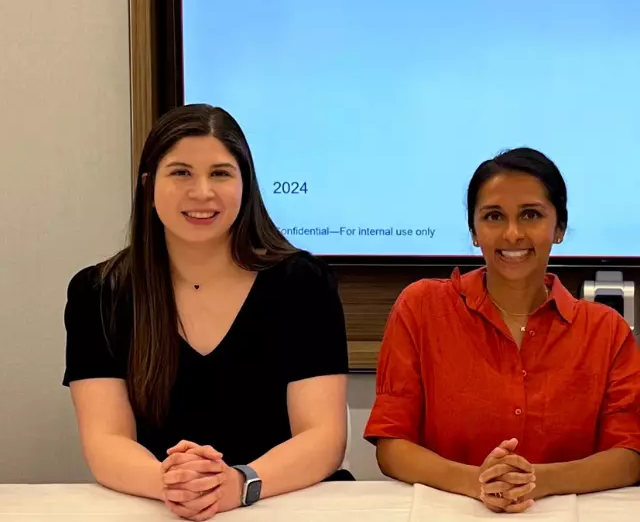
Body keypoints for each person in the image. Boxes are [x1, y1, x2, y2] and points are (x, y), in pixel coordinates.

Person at [63, 104, 349, 521]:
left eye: (220, 173)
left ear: (245, 185)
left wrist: (238, 483)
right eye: (181, 172)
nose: (202, 192)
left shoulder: (303, 283)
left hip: (281, 502)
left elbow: (323, 437)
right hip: (158, 507)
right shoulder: (98, 292)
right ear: (148, 185)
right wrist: (171, 483)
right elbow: (105, 439)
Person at [365, 147, 640, 513]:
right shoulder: (420, 308)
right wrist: (477, 482)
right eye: (494, 216)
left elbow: (629, 457)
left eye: (531, 215)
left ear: (558, 228)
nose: (512, 234)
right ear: (474, 231)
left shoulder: (606, 330)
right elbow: (392, 446)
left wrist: (535, 481)